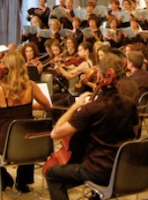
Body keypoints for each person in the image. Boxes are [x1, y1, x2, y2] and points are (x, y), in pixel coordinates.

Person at [45, 52, 139, 200]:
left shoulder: (92, 108)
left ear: (101, 77)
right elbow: (135, 129)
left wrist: (76, 106)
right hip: (123, 168)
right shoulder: (130, 104)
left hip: (99, 170)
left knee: (52, 174)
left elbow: (55, 134)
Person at [0, 51, 51, 193]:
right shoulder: (31, 85)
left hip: (7, 144)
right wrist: (27, 105)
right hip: (31, 145)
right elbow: (47, 105)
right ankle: (23, 182)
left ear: (6, 68)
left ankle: (3, 180)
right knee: (26, 131)